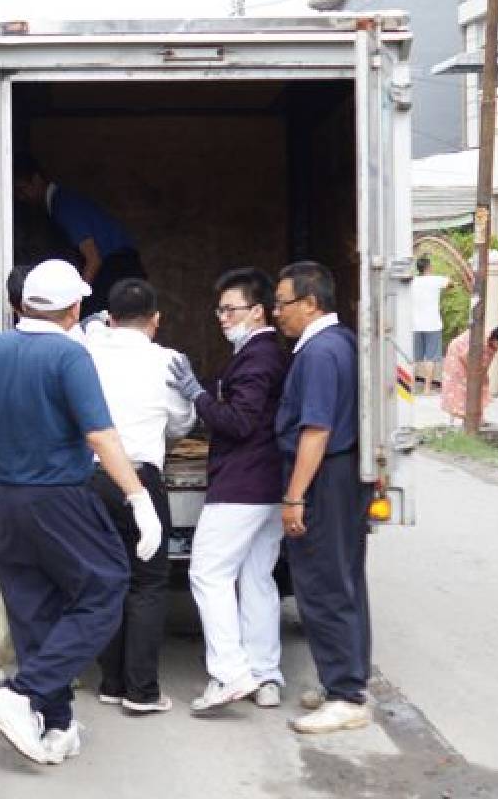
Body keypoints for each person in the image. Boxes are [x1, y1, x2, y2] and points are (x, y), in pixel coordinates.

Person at [0, 259, 161, 765]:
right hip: (61, 498)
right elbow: (101, 435)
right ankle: (24, 693)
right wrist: (138, 497)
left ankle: (57, 726)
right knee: (106, 587)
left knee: (34, 610)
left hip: (8, 499)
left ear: (25, 303)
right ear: (75, 308)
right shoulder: (69, 357)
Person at [167, 268, 288, 714]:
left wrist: (197, 395)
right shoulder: (267, 352)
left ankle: (229, 673)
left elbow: (238, 422)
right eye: (219, 309)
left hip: (242, 483)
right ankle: (265, 675)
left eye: (230, 308)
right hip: (269, 482)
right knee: (255, 577)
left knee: (208, 573)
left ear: (257, 311)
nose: (221, 316)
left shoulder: (257, 357)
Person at [83, 279, 195, 714]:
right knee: (147, 583)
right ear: (156, 320)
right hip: (142, 481)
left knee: (106, 579)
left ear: (108, 318)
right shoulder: (168, 360)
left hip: (93, 478)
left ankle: (111, 682)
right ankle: (142, 690)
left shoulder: (86, 354)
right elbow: (182, 422)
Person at [273, 261, 373, 735]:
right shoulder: (344, 342)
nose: (276, 313)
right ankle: (344, 680)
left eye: (282, 303)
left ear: (310, 303)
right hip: (345, 473)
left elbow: (316, 429)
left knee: (324, 584)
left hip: (324, 476)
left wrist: (294, 497)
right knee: (345, 577)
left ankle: (346, 695)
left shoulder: (317, 353)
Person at [14, 154, 145, 316]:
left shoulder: (63, 205)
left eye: (22, 189)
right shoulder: (61, 203)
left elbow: (93, 259)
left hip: (117, 268)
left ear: (36, 179)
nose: (21, 197)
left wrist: (75, 300)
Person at [439, 324, 498, 422]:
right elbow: (468, 357)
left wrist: (483, 374)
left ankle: (476, 415)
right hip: (458, 355)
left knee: (482, 384)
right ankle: (465, 416)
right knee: (461, 385)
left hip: (472, 360)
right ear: (497, 339)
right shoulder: (481, 341)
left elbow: (487, 360)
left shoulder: (494, 343)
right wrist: (477, 374)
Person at [412, 256, 452, 395]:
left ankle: (410, 386)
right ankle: (427, 389)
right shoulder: (436, 280)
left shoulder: (412, 281)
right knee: (431, 357)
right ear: (429, 267)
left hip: (414, 325)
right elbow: (450, 284)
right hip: (433, 324)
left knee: (413, 357)